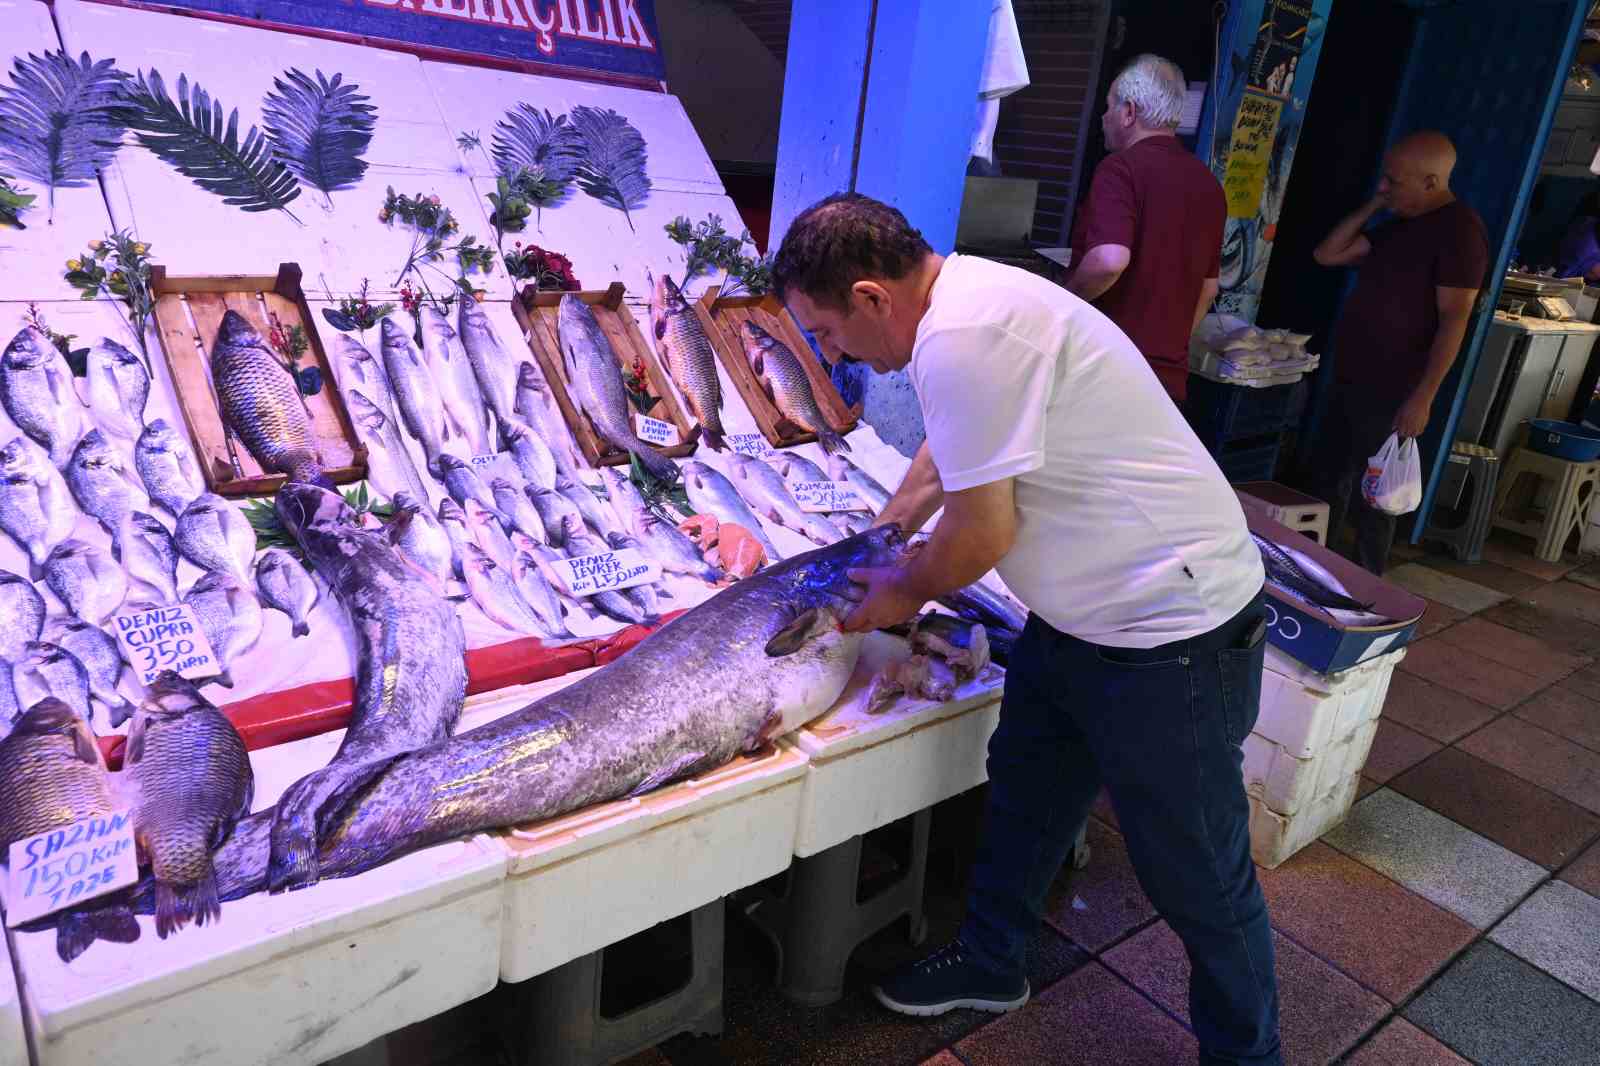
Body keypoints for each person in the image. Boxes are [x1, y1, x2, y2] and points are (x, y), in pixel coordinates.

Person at [773, 192, 1282, 1066]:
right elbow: (951, 450)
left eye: (827, 332)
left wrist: (900, 592)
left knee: (1197, 867)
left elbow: (982, 534)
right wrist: (881, 538)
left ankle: (1249, 1055)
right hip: (1080, 618)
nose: (833, 353)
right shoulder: (958, 302)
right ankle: (992, 960)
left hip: (1169, 633)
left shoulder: (965, 333)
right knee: (1027, 793)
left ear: (870, 297)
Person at [1311, 130, 1487, 575]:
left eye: (1395, 181)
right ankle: (1317, 572)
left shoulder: (1460, 232)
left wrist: (1423, 397)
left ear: (1431, 182)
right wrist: (1377, 203)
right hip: (1353, 376)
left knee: (1376, 499)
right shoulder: (1398, 226)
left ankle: (1367, 585)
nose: (1385, 186)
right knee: (1330, 480)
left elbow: (1455, 319)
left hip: (1397, 388)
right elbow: (1327, 255)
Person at [1065, 54, 1225, 405]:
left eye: (1109, 106)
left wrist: (1064, 299)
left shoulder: (1120, 169)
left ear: (1129, 112)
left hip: (1107, 374)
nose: (1103, 117)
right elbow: (1209, 288)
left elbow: (1109, 260)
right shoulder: (1209, 185)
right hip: (1167, 384)